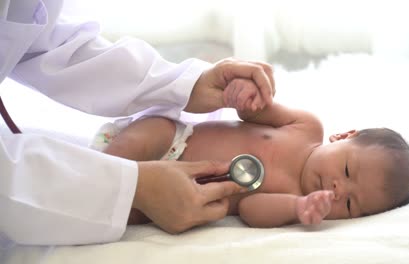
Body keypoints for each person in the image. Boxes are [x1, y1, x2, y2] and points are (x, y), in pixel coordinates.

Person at [0, 1, 275, 245]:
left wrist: (187, 84)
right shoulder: (308, 126)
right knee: (150, 140)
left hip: (164, 163)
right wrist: (133, 186)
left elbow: (43, 37)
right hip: (164, 143)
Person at [96, 79, 409, 229]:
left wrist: (297, 207)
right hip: (173, 143)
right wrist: (247, 97)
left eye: (350, 204)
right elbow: (256, 113)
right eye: (347, 171)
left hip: (179, 194)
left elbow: (249, 209)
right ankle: (98, 171)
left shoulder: (292, 195)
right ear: (344, 136)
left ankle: (103, 194)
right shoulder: (306, 126)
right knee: (153, 130)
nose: (337, 190)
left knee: (131, 214)